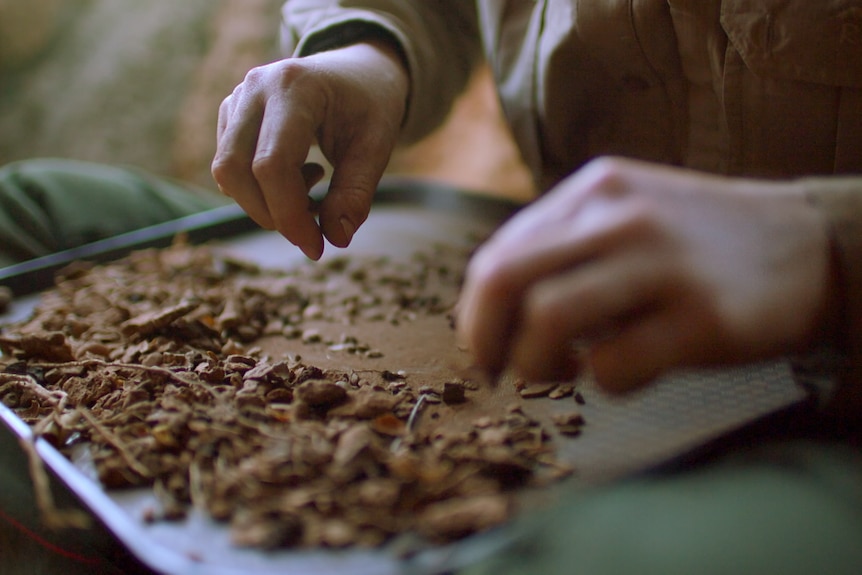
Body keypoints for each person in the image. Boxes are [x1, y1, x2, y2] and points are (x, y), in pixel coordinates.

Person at [211, 2, 862, 573]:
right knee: (105, 208)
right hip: (546, 279)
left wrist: (826, 239)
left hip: (835, 376)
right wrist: (366, 49)